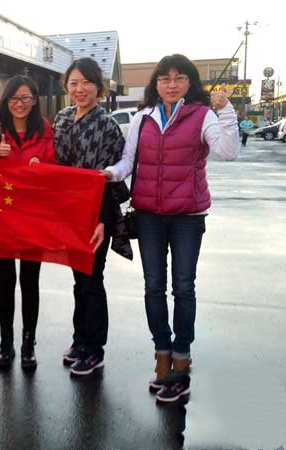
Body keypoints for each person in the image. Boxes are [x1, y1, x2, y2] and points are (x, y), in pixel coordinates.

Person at [101, 54, 239, 403]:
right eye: (165, 78)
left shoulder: (203, 115)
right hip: (148, 215)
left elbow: (227, 152)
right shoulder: (142, 117)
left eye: (179, 78)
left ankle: (181, 358)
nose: (171, 84)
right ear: (156, 84)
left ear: (190, 82)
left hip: (188, 217)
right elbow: (128, 161)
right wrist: (111, 173)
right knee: (153, 286)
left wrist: (226, 110)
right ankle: (161, 354)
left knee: (183, 287)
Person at [53, 58, 130, 377]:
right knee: (78, 280)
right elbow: (56, 166)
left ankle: (94, 348)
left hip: (97, 213)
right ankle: (80, 339)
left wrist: (101, 220)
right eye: (73, 83)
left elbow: (108, 179)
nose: (79, 89)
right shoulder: (62, 118)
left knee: (92, 279)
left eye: (86, 82)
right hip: (68, 212)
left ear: (99, 87)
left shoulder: (107, 125)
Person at [0, 75, 55, 370]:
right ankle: (6, 342)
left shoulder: (45, 130)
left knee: (30, 282)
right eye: (14, 98)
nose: (20, 104)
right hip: (2, 217)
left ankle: (29, 342)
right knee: (5, 282)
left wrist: (43, 167)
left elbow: (56, 166)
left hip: (32, 217)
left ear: (34, 100)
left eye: (26, 98)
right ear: (6, 101)